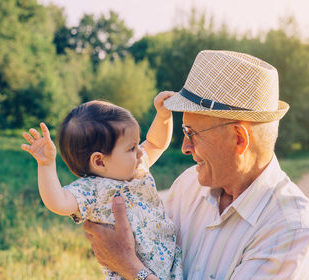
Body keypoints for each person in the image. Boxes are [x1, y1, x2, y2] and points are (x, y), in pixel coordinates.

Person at [83, 50, 309, 280]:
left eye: (191, 133)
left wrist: (129, 267)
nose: (185, 147)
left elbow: (132, 261)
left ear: (239, 138)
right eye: (184, 131)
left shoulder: (289, 228)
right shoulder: (187, 185)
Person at [21, 92, 183, 280]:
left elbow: (156, 143)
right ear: (99, 161)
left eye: (138, 144)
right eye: (131, 148)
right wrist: (46, 165)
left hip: (171, 268)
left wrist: (163, 116)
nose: (140, 151)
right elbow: (58, 202)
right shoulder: (93, 190)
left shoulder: (137, 168)